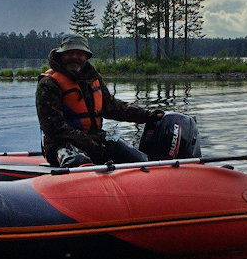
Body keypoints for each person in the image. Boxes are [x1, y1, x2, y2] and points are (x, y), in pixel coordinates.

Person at [36, 34, 163, 168]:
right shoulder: (49, 84)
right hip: (61, 144)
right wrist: (89, 143)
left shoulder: (92, 78)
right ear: (62, 55)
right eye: (70, 53)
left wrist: (147, 115)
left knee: (141, 160)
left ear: (86, 56)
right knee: (78, 161)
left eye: (80, 54)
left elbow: (112, 107)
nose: (75, 57)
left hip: (95, 142)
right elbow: (54, 127)